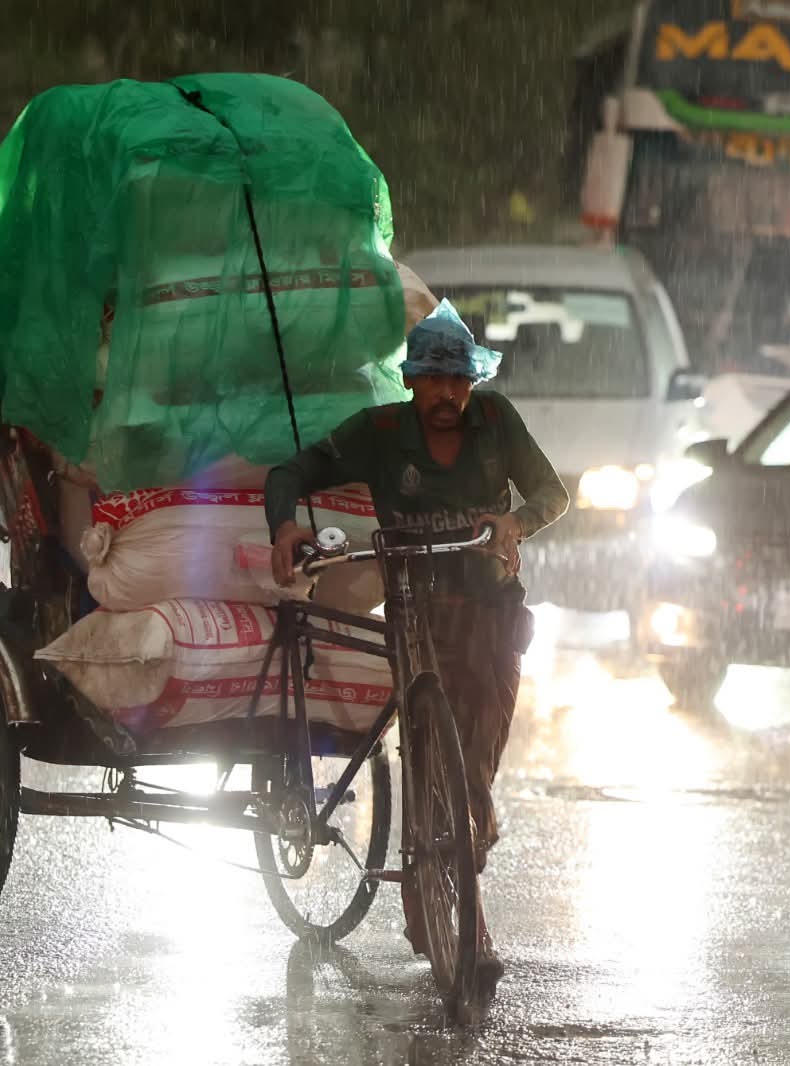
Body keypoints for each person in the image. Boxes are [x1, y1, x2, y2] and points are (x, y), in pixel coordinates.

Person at [264, 299, 569, 993]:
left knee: (476, 774)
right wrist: (284, 526)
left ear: (473, 384)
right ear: (409, 382)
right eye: (433, 381)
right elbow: (290, 474)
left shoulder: (496, 423)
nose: (447, 395)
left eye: (458, 381)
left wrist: (514, 523)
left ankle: (464, 849)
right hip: (415, 614)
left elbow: (553, 494)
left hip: (492, 614)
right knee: (432, 763)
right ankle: (458, 937)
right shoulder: (377, 433)